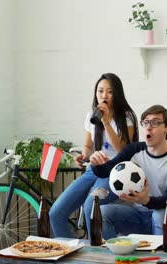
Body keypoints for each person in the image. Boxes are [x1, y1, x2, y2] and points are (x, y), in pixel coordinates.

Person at [50, 73, 138, 238]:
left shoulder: (126, 117)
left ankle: (98, 255)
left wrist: (106, 121)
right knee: (56, 213)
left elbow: (123, 150)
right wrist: (83, 156)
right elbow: (88, 146)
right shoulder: (91, 116)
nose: (104, 95)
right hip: (95, 168)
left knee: (91, 205)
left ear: (117, 94)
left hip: (117, 171)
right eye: (100, 91)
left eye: (109, 92)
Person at [89, 105, 167, 238]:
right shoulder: (133, 150)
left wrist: (146, 200)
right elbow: (106, 170)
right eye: (145, 122)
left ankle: (161, 257)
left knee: (161, 216)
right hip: (137, 215)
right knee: (102, 213)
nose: (148, 127)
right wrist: (95, 163)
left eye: (155, 123)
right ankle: (113, 256)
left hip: (166, 215)